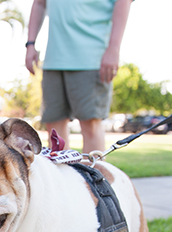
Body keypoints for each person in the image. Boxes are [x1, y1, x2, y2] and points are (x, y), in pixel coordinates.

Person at [25, 0, 131, 153]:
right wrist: (30, 43)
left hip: (91, 58)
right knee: (54, 130)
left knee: (90, 127)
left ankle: (94, 176)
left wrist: (114, 49)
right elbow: (40, 3)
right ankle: (62, 177)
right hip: (54, 58)